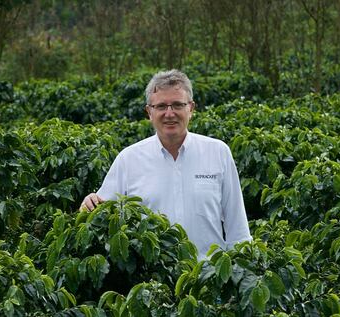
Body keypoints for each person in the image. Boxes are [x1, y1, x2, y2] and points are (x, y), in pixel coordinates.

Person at [80, 69, 251, 259]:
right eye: (161, 106)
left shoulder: (218, 152)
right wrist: (89, 205)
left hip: (209, 279)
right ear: (149, 112)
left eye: (178, 105)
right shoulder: (128, 160)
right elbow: (101, 216)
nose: (170, 114)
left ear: (191, 108)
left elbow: (238, 229)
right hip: (150, 282)